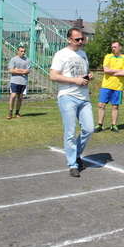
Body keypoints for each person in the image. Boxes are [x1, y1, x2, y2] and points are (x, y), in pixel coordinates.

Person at [49, 28, 93, 178]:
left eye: (82, 39)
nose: (80, 42)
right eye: (77, 39)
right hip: (67, 96)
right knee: (70, 132)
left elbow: (82, 74)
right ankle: (73, 164)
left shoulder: (83, 54)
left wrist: (88, 76)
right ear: (69, 39)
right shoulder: (61, 54)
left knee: (89, 129)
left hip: (84, 97)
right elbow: (53, 75)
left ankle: (76, 154)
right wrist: (75, 80)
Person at [95, 42, 124, 133]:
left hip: (118, 87)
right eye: (112, 47)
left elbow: (123, 73)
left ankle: (113, 125)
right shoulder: (108, 57)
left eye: (115, 47)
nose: (113, 48)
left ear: (120, 48)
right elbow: (106, 70)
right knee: (101, 105)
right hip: (106, 85)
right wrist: (118, 71)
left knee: (115, 106)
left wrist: (112, 71)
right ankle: (99, 125)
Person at [7, 46, 31, 119]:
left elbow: (27, 71)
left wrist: (17, 70)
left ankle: (17, 112)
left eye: (24, 51)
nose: (23, 53)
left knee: (20, 98)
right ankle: (10, 112)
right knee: (13, 96)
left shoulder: (27, 60)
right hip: (14, 81)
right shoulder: (13, 59)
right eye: (21, 51)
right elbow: (11, 70)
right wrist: (22, 71)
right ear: (18, 51)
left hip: (23, 82)